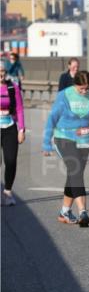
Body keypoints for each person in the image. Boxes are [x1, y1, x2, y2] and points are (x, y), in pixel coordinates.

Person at [41, 70, 89, 227]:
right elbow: (52, 118)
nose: (84, 91)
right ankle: (83, 212)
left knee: (74, 175)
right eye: (81, 88)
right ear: (75, 85)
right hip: (63, 137)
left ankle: (64, 212)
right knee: (75, 170)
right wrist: (46, 143)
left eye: (87, 88)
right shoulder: (64, 95)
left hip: (84, 139)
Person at [1, 63, 27, 206]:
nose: (1, 74)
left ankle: (8, 192)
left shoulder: (12, 87)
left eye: (3, 71)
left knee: (11, 161)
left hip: (10, 127)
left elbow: (19, 108)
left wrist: (21, 129)